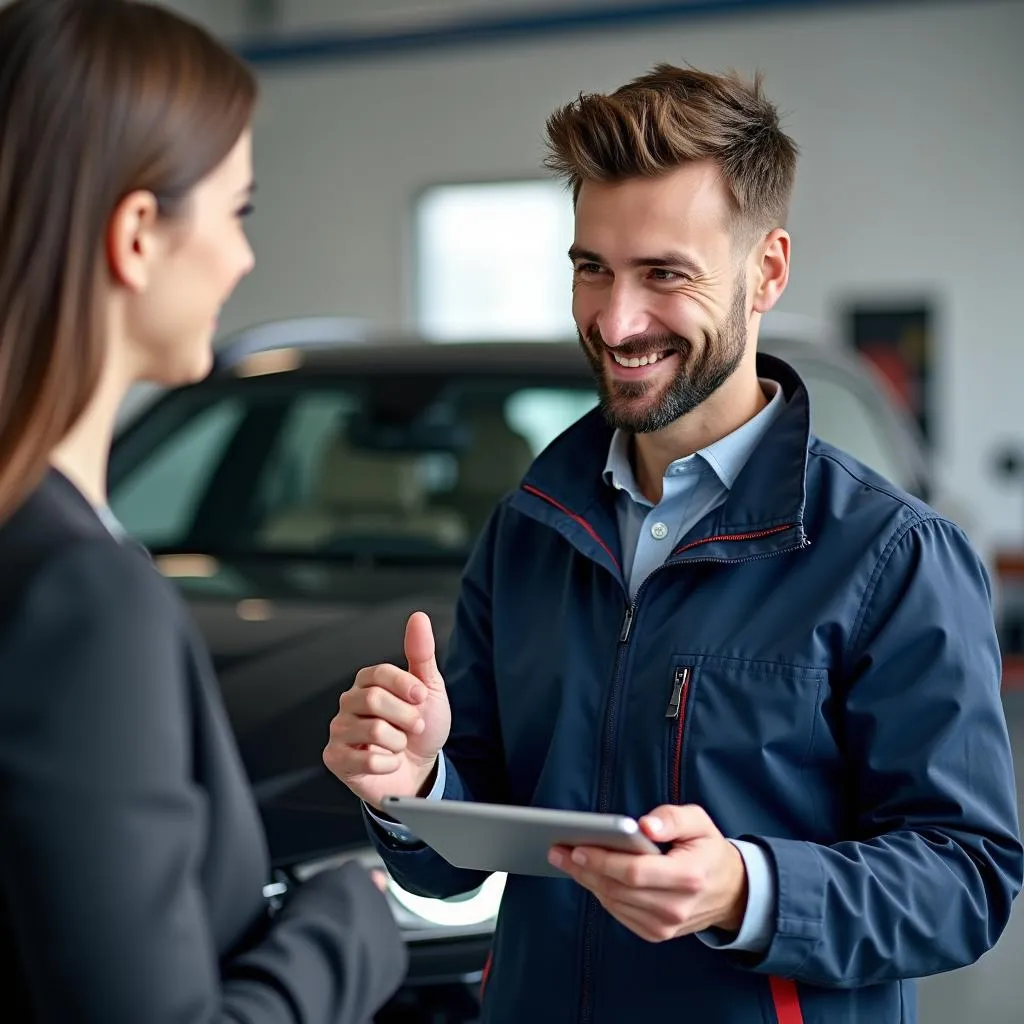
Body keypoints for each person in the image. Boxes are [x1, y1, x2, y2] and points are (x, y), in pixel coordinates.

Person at [324, 64, 1023, 1023]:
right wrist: (417, 785)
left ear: (767, 270)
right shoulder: (529, 530)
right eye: (592, 268)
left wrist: (747, 888)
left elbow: (967, 879)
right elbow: (460, 860)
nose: (616, 321)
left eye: (665, 275)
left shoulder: (892, 559)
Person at [0, 2, 407, 1021]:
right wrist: (346, 931)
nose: (244, 258)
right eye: (236, 212)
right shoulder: (83, 596)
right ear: (138, 234)